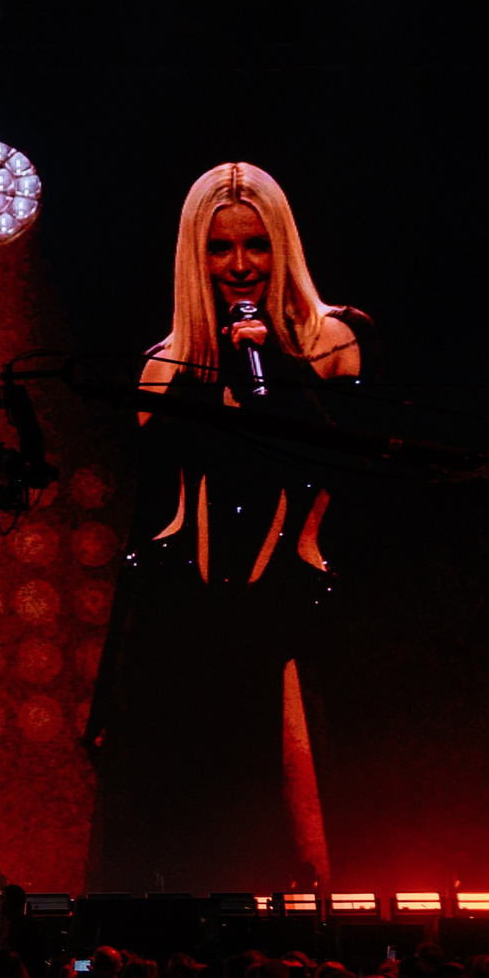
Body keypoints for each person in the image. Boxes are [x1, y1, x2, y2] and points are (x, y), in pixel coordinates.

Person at [83, 162, 365, 892]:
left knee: (288, 835)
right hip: (179, 624)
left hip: (286, 612)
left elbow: (348, 478)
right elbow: (148, 525)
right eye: (219, 247)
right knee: (179, 841)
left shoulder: (333, 344)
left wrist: (268, 360)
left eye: (255, 244)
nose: (239, 265)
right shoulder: (162, 367)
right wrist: (111, 682)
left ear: (282, 245)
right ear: (194, 256)